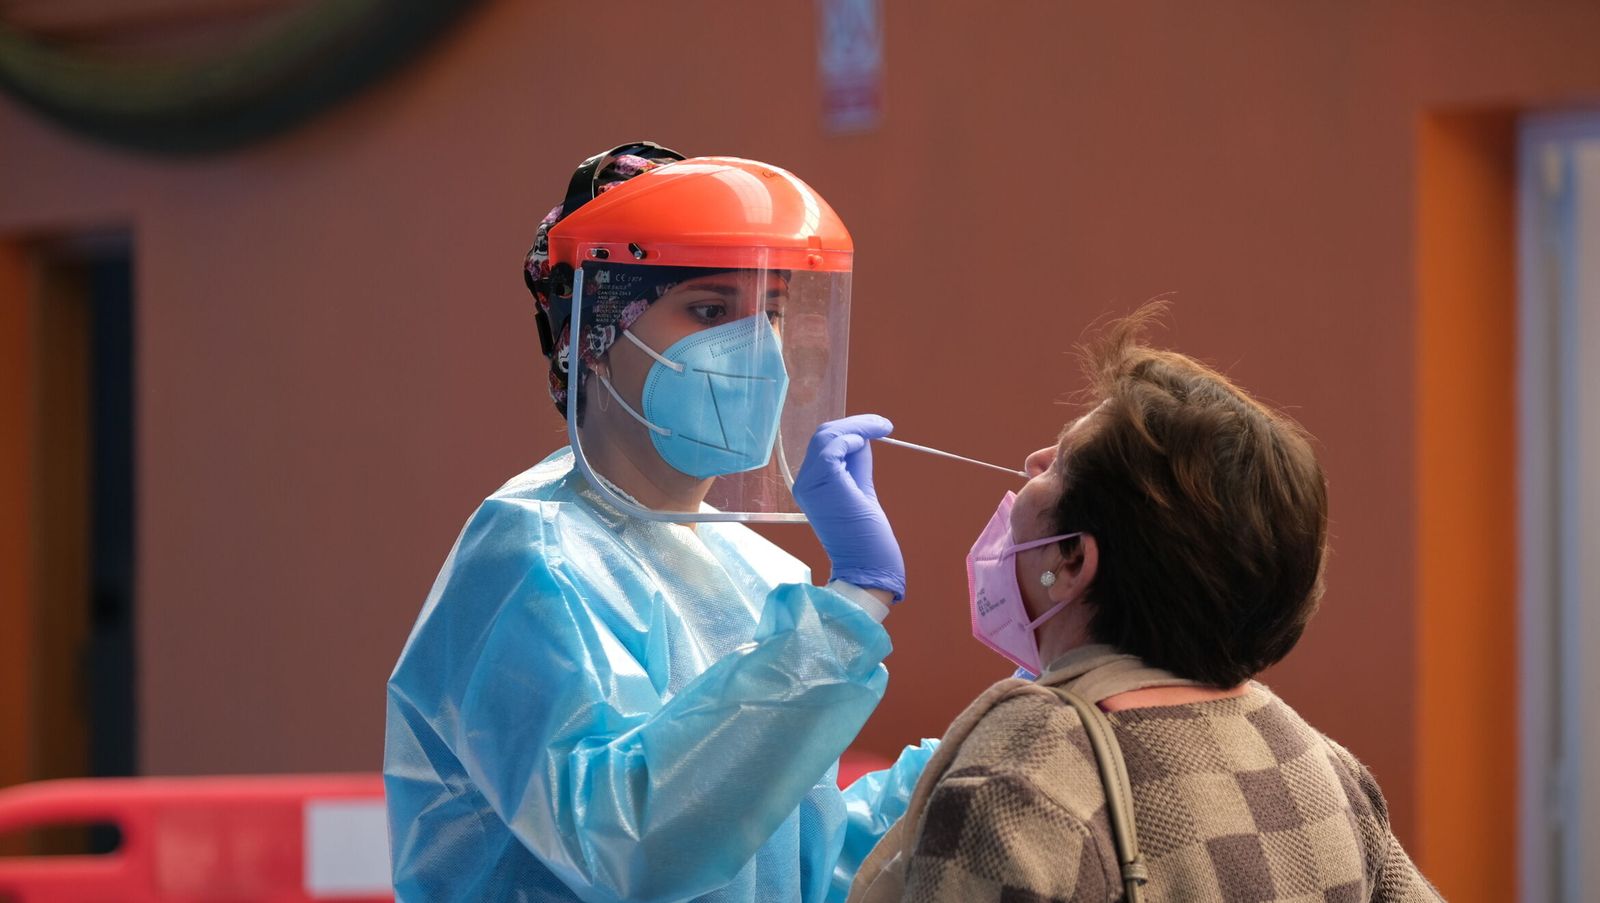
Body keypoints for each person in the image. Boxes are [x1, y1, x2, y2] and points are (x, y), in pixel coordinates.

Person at [384, 143, 935, 902]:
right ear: (594, 336)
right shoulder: (530, 556)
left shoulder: (762, 574)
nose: (756, 349)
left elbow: (805, 860)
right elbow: (633, 844)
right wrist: (849, 613)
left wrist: (1006, 733)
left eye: (770, 312)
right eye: (710, 310)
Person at [849, 306, 1442, 902]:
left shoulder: (1027, 762)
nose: (1032, 464)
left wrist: (847, 602)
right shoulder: (1327, 770)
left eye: (1059, 459)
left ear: (1074, 561)